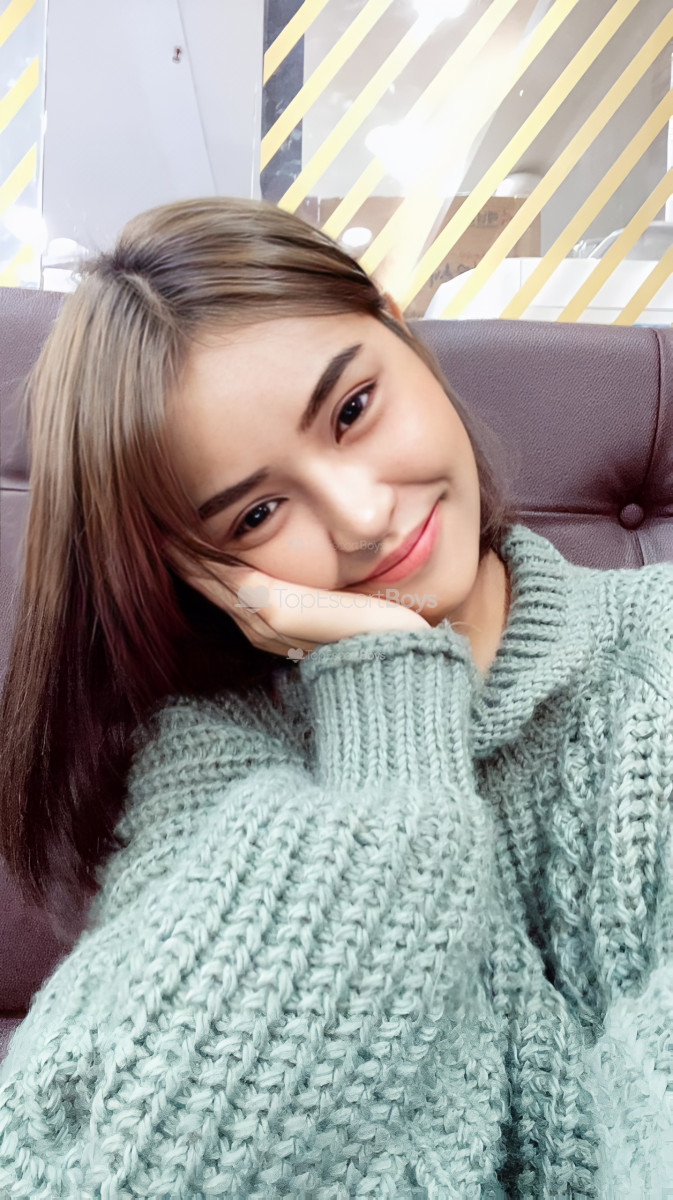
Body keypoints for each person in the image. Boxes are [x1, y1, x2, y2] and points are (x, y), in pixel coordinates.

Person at [0, 196, 671, 1198]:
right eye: (259, 512)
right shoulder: (211, 776)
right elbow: (86, 1175)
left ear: (399, 330)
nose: (360, 518)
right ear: (197, 566)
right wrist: (389, 704)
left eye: (353, 410)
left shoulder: (655, 647)